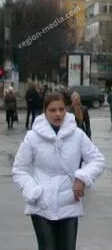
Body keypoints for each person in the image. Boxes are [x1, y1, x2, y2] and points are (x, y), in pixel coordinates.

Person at [12, 92, 106, 250]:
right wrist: (33, 191)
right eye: (53, 110)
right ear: (44, 111)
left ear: (67, 109)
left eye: (61, 109)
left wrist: (81, 177)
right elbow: (19, 169)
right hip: (42, 204)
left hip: (69, 201)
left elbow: (98, 160)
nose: (58, 114)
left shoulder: (77, 135)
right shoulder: (33, 138)